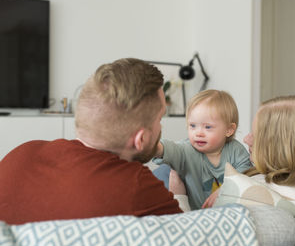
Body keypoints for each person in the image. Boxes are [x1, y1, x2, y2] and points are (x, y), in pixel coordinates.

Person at [0, 58, 183, 225]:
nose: (160, 126)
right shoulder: (138, 185)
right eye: (160, 119)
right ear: (140, 139)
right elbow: (191, 239)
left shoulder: (22, 153)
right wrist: (179, 193)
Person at [153, 90, 252, 210]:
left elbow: (246, 173)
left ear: (229, 129)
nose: (198, 133)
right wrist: (155, 146)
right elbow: (174, 149)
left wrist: (225, 189)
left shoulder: (235, 150)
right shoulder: (188, 149)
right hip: (192, 213)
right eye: (192, 126)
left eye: (208, 127)